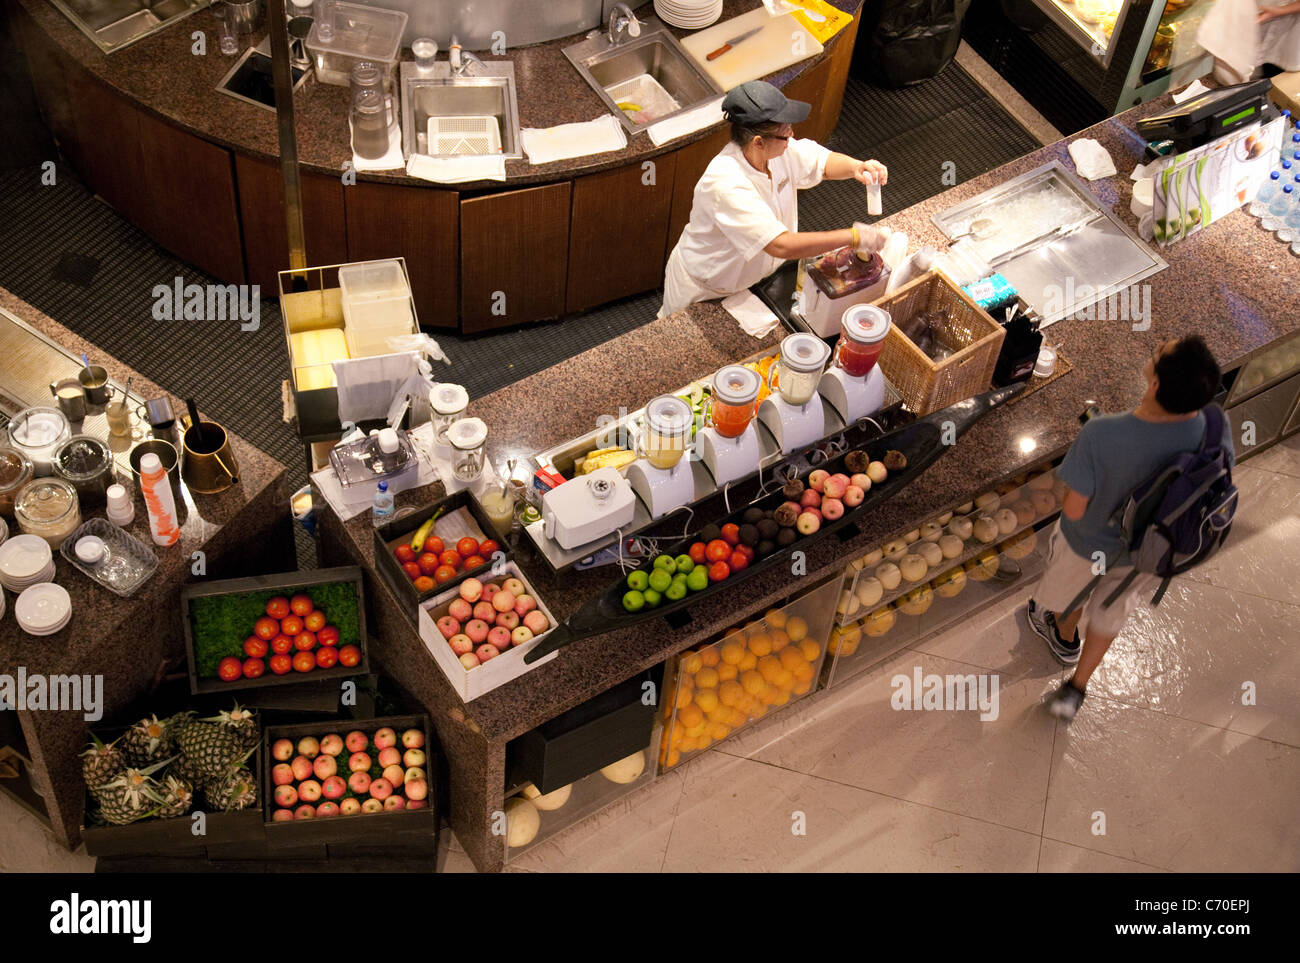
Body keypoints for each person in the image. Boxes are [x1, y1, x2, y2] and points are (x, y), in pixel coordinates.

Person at [1025, 335, 1233, 723]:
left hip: (1090, 545)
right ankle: (1076, 689)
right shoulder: (1215, 424)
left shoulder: (1102, 434)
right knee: (1112, 607)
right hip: (1152, 549)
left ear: (1155, 384)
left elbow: (1073, 510)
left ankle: (1062, 632)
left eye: (1158, 353)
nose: (1154, 350)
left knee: (1070, 591)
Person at [658, 81, 890, 319]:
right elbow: (780, 245)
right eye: (785, 132)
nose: (791, 135)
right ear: (757, 141)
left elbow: (822, 163)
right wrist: (853, 237)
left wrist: (857, 167)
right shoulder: (726, 183)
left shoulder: (778, 152)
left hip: (752, 281)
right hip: (706, 291)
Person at [1199, 0, 1300, 85]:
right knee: (1238, 71)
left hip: (1289, 28)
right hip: (1251, 16)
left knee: (1277, 75)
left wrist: (1282, 10)